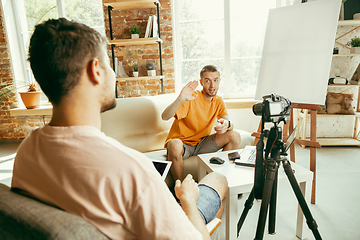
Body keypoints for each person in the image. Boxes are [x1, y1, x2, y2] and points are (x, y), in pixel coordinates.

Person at [11, 18, 228, 240]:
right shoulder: (132, 169)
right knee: (218, 180)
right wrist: (189, 201)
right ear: (96, 71)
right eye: (110, 64)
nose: (115, 74)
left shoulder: (26, 152)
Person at [162, 65, 241, 181]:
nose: (212, 85)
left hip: (202, 143)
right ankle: (178, 188)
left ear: (219, 81)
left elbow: (229, 122)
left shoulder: (218, 100)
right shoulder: (191, 97)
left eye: (215, 80)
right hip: (183, 145)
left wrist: (227, 125)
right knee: (174, 144)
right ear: (201, 82)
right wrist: (180, 98)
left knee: (234, 136)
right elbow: (164, 116)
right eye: (207, 80)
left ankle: (218, 180)